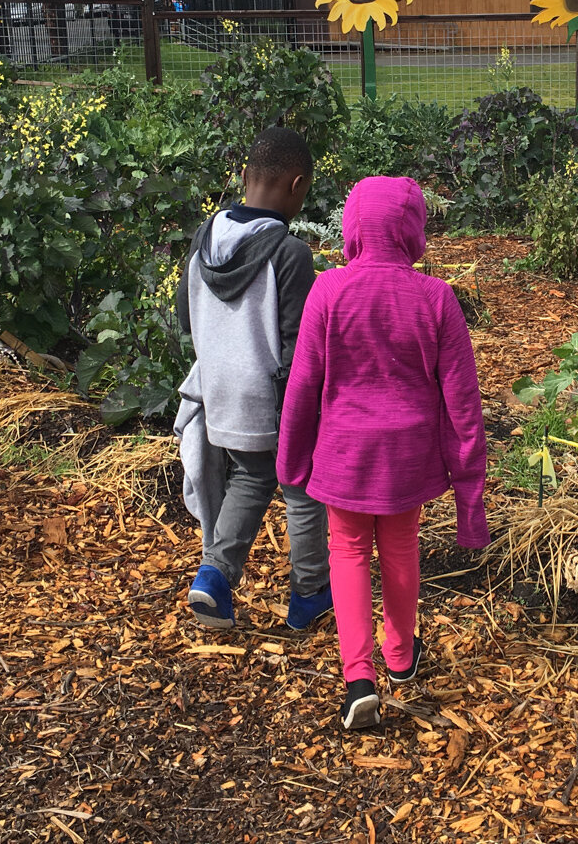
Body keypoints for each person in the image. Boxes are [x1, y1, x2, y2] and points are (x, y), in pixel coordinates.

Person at [277, 176, 489, 730]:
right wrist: (470, 490)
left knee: (346, 551)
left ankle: (358, 677)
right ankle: (400, 657)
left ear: (353, 227)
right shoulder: (436, 297)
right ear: (412, 230)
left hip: (343, 453)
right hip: (408, 458)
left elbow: (303, 385)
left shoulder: (328, 290)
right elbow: (462, 402)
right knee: (400, 548)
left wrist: (292, 458)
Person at [174, 126, 332, 632]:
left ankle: (215, 577)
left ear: (244, 177)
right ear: (299, 186)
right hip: (274, 396)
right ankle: (309, 595)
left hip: (221, 396)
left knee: (251, 476)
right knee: (301, 488)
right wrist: (306, 411)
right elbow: (297, 344)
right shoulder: (289, 254)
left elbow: (183, 318)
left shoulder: (202, 244)